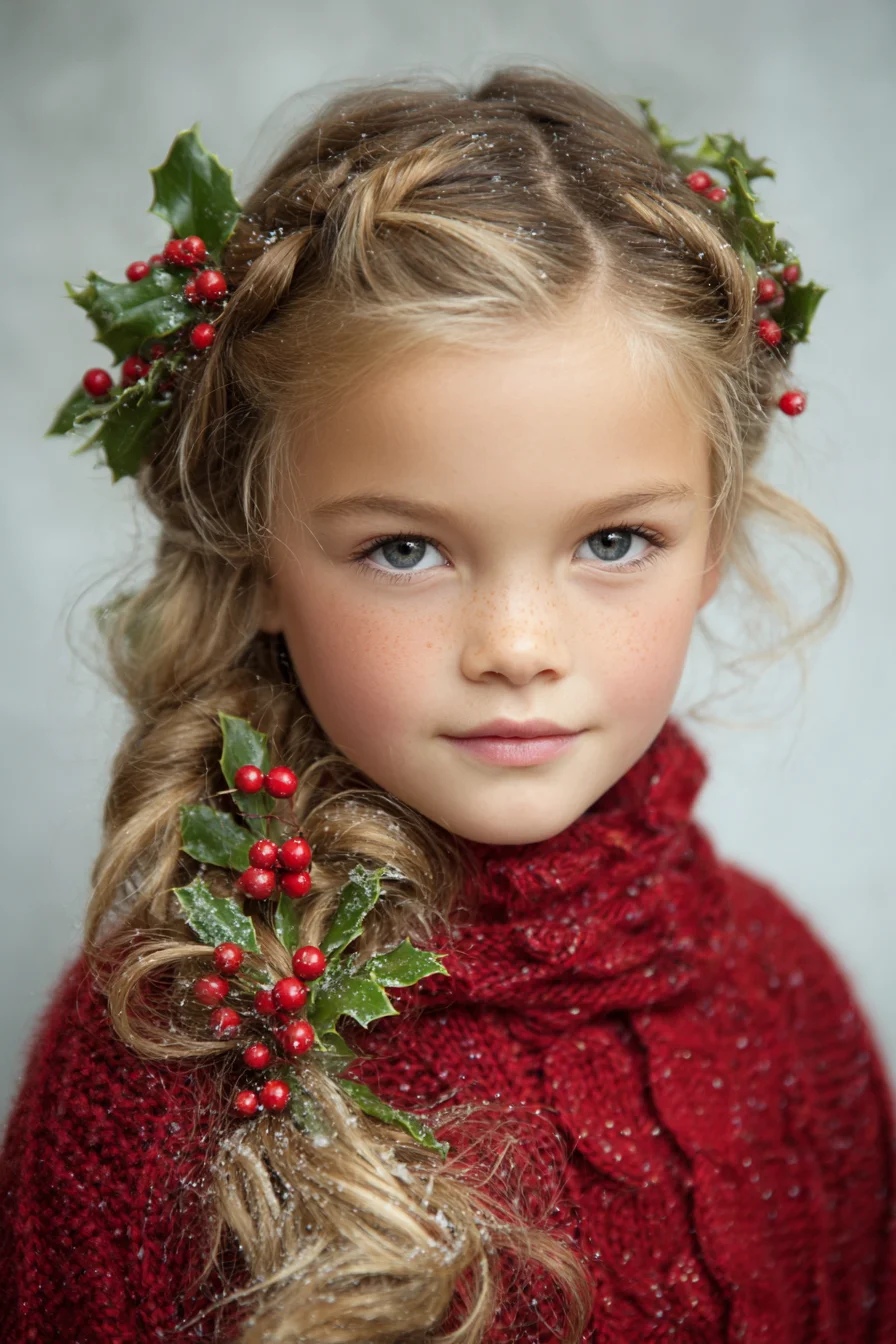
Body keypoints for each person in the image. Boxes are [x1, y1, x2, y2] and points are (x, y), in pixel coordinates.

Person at [0, 64, 893, 1344]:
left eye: (614, 541)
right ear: (255, 555)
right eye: (404, 550)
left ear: (713, 541)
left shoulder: (785, 1003)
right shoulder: (166, 1061)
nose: (518, 648)